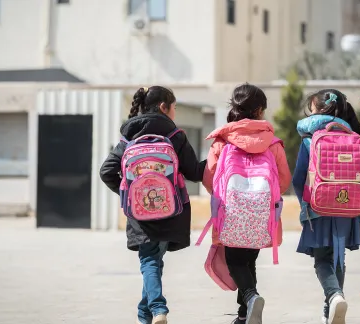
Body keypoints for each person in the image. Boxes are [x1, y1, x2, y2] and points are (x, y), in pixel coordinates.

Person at [100, 86, 205, 324]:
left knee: (150, 261)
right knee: (153, 261)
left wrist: (129, 194)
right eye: (175, 108)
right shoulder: (175, 136)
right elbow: (194, 172)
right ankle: (156, 310)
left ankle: (148, 313)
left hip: (140, 213)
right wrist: (217, 158)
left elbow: (107, 171)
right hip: (170, 211)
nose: (175, 113)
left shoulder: (128, 137)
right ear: (163, 107)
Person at [203, 83, 291, 324]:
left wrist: (230, 197)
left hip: (230, 212)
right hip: (261, 213)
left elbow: (210, 177)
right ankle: (244, 316)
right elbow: (283, 180)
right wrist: (259, 199)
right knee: (248, 261)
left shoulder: (223, 141)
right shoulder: (273, 143)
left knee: (234, 260)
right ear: (260, 110)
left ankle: (251, 298)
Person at [292, 89, 360, 324]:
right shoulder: (354, 135)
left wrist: (305, 203)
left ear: (319, 111)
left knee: (322, 259)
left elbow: (298, 178)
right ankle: (329, 312)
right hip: (350, 207)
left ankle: (334, 296)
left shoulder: (310, 139)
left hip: (319, 205)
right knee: (338, 258)